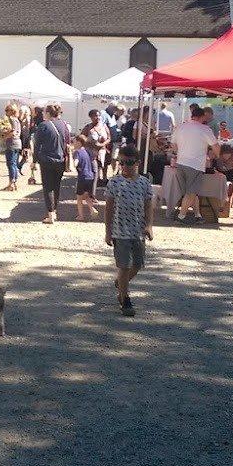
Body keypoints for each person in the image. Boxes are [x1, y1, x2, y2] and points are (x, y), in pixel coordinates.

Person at [104, 149, 155, 317]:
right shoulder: (114, 182)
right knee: (124, 266)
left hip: (138, 231)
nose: (125, 166)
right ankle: (125, 298)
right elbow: (109, 208)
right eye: (122, 162)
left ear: (138, 163)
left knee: (138, 264)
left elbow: (148, 205)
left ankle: (121, 283)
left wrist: (149, 225)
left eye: (129, 162)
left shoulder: (144, 183)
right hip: (120, 231)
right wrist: (108, 231)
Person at [170, 105, 218, 223]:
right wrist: (215, 156)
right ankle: (181, 217)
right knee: (191, 192)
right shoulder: (205, 129)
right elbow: (215, 146)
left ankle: (197, 215)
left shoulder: (181, 127)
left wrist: (179, 153)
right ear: (202, 116)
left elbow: (173, 144)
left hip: (181, 163)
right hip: (195, 164)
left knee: (191, 191)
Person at [31, 104, 72, 224]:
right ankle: (55, 211)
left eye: (44, 112)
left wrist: (34, 161)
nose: (43, 114)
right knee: (56, 186)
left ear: (48, 113)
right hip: (60, 159)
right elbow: (67, 142)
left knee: (48, 187)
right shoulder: (63, 124)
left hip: (47, 159)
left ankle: (50, 215)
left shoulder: (43, 125)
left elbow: (37, 145)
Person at [73, 135, 100, 221]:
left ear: (79, 142)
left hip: (82, 177)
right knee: (87, 196)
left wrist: (72, 160)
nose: (73, 143)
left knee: (79, 198)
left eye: (74, 141)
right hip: (90, 176)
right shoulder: (87, 152)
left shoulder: (77, 152)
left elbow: (75, 163)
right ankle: (92, 210)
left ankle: (81, 216)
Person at [84, 109, 112, 180]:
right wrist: (90, 144)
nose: (98, 117)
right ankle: (96, 179)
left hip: (102, 150)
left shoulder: (104, 126)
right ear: (91, 117)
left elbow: (109, 138)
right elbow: (81, 138)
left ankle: (104, 179)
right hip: (91, 151)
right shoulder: (88, 127)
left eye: (99, 115)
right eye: (96, 116)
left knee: (104, 165)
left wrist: (102, 144)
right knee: (95, 167)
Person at [1, 104, 24, 191]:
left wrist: (3, 136)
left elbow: (12, 133)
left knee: (10, 164)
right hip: (18, 143)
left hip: (12, 143)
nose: (6, 112)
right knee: (14, 163)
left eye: (7, 110)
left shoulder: (11, 120)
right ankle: (14, 182)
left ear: (12, 111)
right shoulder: (17, 120)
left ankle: (11, 183)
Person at [214, 143, 233, 209]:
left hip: (230, 174)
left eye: (228, 154)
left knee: (230, 188)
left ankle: (228, 205)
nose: (226, 156)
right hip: (218, 173)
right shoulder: (217, 157)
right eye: (224, 154)